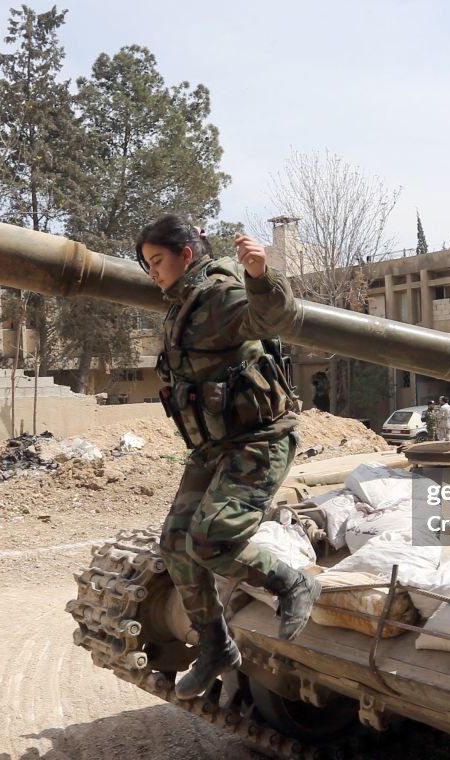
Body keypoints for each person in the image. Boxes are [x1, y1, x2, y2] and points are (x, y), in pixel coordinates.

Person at [136, 214, 320, 700]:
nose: (152, 271)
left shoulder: (219, 294)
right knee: (176, 542)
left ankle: (292, 585)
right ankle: (215, 644)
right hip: (214, 446)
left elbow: (274, 318)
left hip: (258, 441)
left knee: (212, 541)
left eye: (157, 261)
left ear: (186, 256)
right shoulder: (182, 304)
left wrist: (262, 277)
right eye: (147, 264)